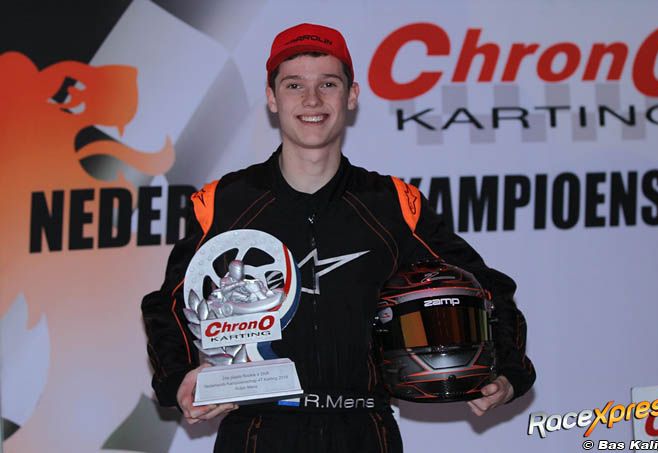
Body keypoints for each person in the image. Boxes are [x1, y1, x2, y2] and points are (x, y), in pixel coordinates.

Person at [142, 22, 535, 452]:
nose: (312, 100)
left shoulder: (393, 204)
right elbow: (168, 303)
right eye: (294, 85)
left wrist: (509, 370)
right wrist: (178, 378)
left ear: (351, 95)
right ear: (272, 98)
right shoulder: (225, 202)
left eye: (328, 84)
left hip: (365, 430)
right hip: (257, 431)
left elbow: (485, 286)